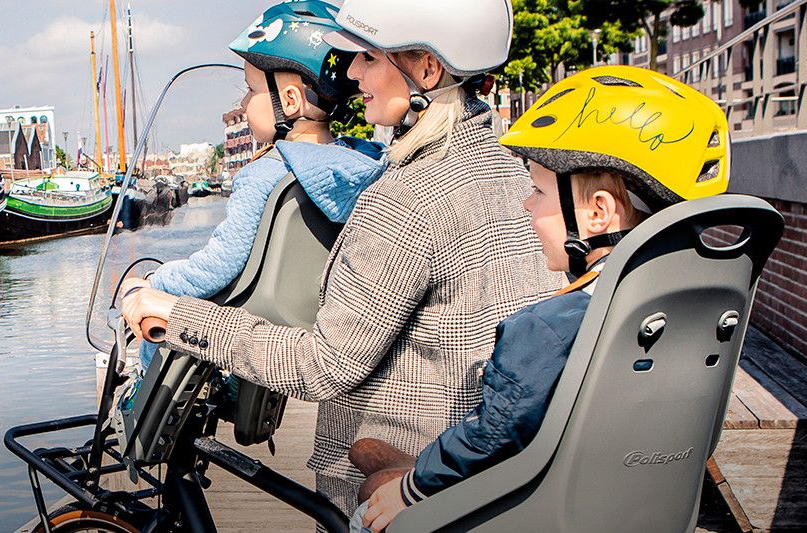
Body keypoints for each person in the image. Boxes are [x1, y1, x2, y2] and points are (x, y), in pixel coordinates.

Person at [119, 0, 553, 514]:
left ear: (428, 69)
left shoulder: (406, 199)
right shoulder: (514, 171)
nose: (351, 72)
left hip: (398, 489)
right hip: (483, 472)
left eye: (368, 57)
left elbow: (326, 364)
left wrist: (179, 315)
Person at [348, 65, 735, 532]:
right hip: (632, 506)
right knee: (364, 450)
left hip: (534, 510)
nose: (526, 204)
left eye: (538, 190)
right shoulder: (686, 305)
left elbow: (493, 435)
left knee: (370, 501)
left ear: (597, 213)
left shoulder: (549, 327)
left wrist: (412, 490)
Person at [115, 0, 386, 415]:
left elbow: (221, 263)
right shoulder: (363, 162)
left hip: (250, 320)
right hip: (312, 314)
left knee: (161, 295)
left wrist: (157, 280)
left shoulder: (268, 171)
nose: (244, 103)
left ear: (290, 100)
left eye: (252, 89)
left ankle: (145, 401)